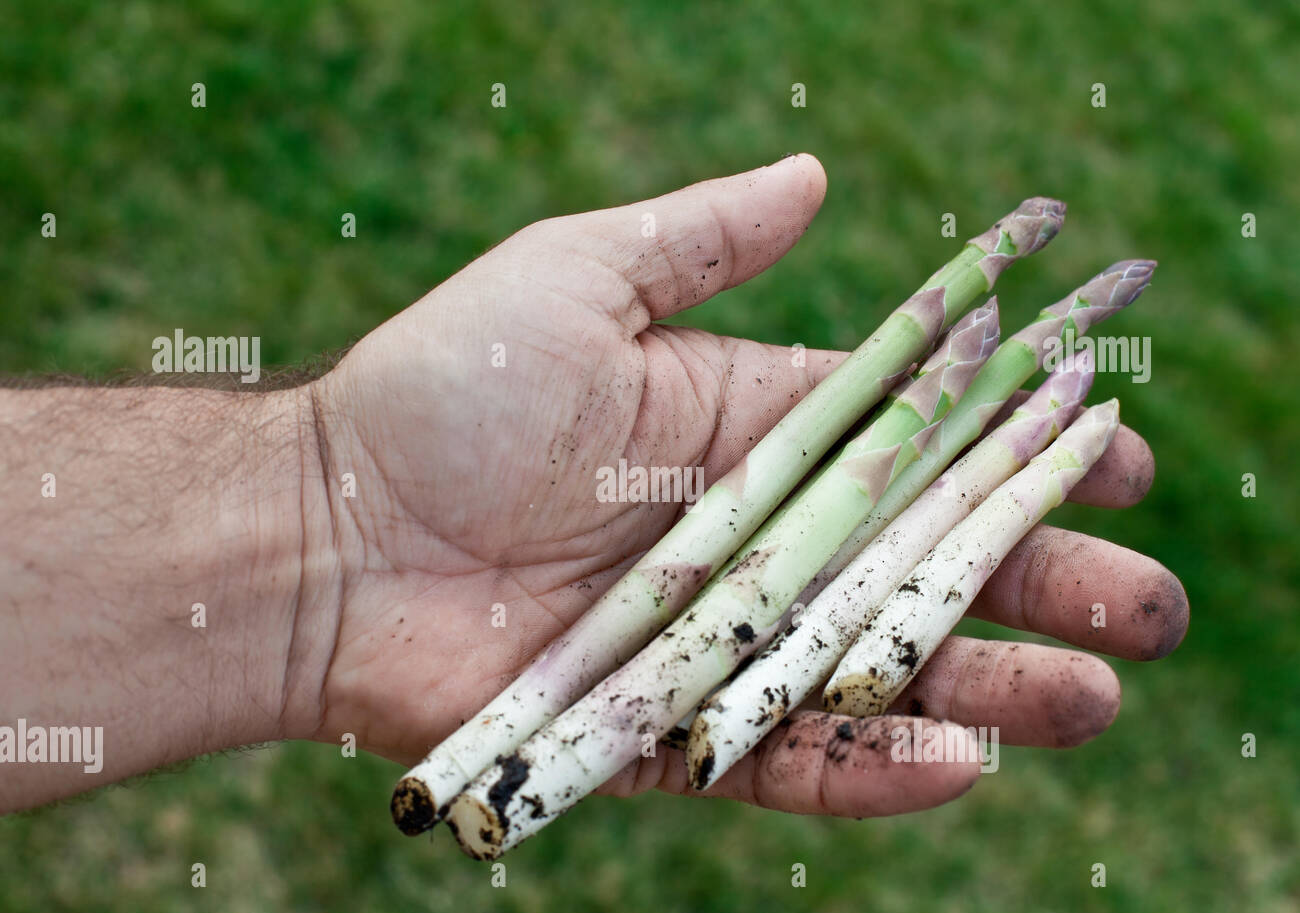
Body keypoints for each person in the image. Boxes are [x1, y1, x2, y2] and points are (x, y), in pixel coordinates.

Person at [0, 155, 1187, 820]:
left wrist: (324, 498)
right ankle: (498, 773)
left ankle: (503, 777)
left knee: (823, 621)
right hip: (727, 625)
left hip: (767, 642)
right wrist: (334, 487)